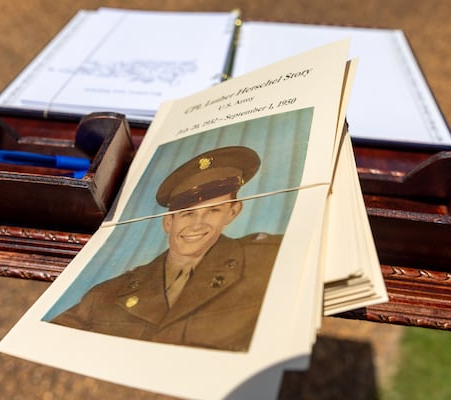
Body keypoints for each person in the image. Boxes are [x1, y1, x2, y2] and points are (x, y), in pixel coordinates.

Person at [51, 146, 282, 352]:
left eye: (213, 211)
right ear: (168, 222)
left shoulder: (268, 261)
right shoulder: (105, 296)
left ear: (233, 212)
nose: (197, 224)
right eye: (187, 213)